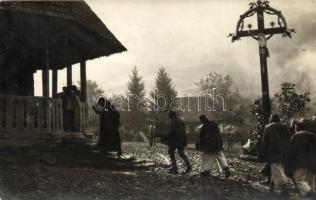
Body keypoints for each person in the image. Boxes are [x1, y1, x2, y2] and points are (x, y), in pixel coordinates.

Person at [258, 114, 291, 194]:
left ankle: (284, 189)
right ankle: (271, 187)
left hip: (272, 151)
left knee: (276, 168)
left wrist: (262, 152)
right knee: (276, 168)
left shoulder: (268, 127)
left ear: (271, 119)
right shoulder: (285, 126)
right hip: (283, 151)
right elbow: (289, 137)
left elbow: (264, 141)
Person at [284, 122, 316, 197]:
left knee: (299, 181)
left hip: (300, 162)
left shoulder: (296, 136)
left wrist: (288, 164)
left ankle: (310, 193)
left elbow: (291, 151)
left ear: (296, 129)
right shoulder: (313, 136)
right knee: (311, 182)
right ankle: (311, 194)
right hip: (312, 162)